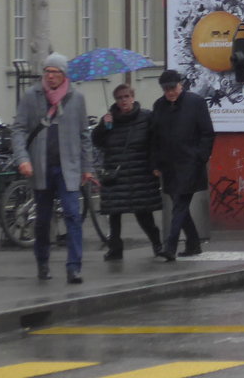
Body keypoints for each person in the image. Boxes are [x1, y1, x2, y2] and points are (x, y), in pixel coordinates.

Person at [11, 53, 95, 284]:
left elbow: (84, 135)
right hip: (41, 167)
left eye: (54, 72)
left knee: (72, 216)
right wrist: (23, 159)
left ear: (63, 75)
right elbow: (18, 130)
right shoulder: (32, 96)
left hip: (68, 168)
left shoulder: (76, 98)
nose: (49, 76)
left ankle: (74, 267)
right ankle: (42, 261)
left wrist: (87, 168)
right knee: (43, 219)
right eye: (46, 71)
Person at [92, 83, 163, 261]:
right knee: (114, 213)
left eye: (126, 97)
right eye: (119, 98)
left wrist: (155, 165)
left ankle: (157, 244)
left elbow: (155, 141)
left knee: (144, 213)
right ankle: (115, 249)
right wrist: (102, 127)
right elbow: (98, 142)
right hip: (116, 173)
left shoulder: (146, 117)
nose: (123, 101)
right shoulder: (109, 120)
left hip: (140, 173)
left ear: (133, 97)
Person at [149, 69, 215, 262]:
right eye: (166, 89)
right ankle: (193, 243)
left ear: (181, 85)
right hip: (168, 164)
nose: (170, 92)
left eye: (173, 87)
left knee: (180, 204)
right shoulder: (159, 106)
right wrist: (155, 162)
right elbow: (154, 137)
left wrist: (200, 156)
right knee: (180, 205)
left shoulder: (195, 103)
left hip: (190, 163)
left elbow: (207, 133)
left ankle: (170, 246)